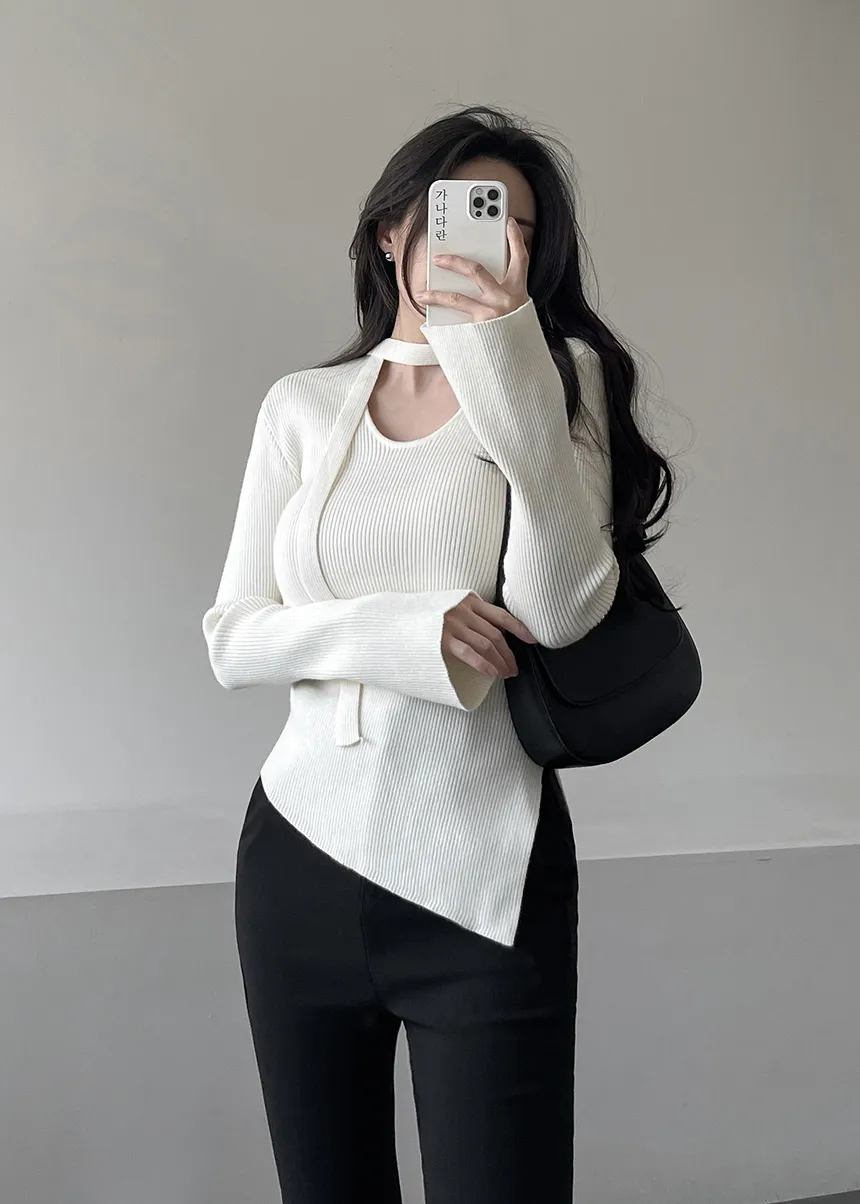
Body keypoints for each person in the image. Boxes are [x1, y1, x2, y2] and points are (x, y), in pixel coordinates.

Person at [202, 104, 674, 1204]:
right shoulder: (304, 406)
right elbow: (232, 636)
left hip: (485, 869)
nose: (481, 242)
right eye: (458, 213)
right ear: (390, 231)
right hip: (296, 858)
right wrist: (404, 633)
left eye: (511, 226)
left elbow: (561, 608)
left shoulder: (561, 379)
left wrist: (509, 366)